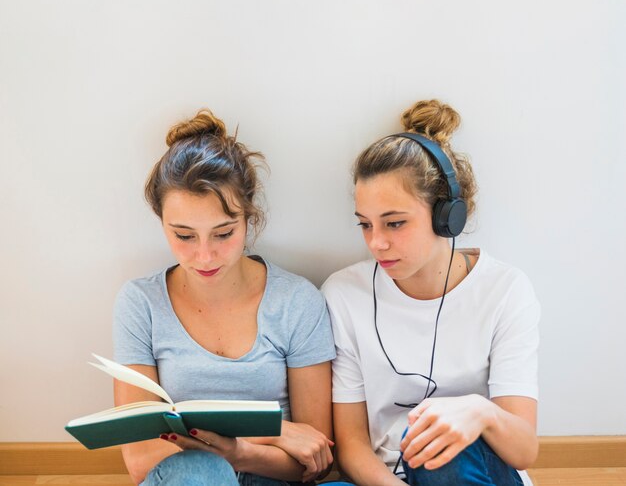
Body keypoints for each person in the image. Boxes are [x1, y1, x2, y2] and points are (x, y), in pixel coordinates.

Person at [321, 99, 540, 486]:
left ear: (447, 216)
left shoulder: (505, 289)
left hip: (470, 469)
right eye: (365, 225)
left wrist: (479, 412)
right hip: (385, 479)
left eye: (394, 223)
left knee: (435, 451)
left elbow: (524, 450)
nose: (377, 243)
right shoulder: (343, 294)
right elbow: (352, 448)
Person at [113, 109, 336, 486]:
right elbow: (140, 458)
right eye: (184, 236)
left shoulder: (297, 301)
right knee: (202, 472)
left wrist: (241, 453)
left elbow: (316, 458)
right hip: (187, 479)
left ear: (249, 218)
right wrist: (275, 433)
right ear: (161, 223)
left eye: (223, 233)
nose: (204, 255)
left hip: (271, 477)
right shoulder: (141, 302)